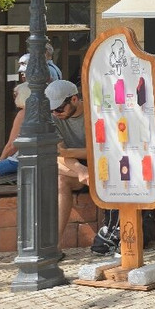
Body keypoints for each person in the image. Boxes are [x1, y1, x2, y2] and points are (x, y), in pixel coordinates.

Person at [47, 80, 91, 247]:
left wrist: (67, 153)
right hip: (73, 167)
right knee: (59, 178)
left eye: (59, 108)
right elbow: (58, 152)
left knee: (56, 165)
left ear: (74, 99)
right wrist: (80, 169)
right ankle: (55, 244)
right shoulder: (53, 118)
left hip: (99, 162)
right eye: (51, 109)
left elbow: (101, 151)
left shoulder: (94, 111)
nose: (55, 113)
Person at [0, 83, 30, 181]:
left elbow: (12, 145)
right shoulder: (44, 111)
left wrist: (0, 162)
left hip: (20, 160)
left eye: (16, 94)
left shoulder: (23, 113)